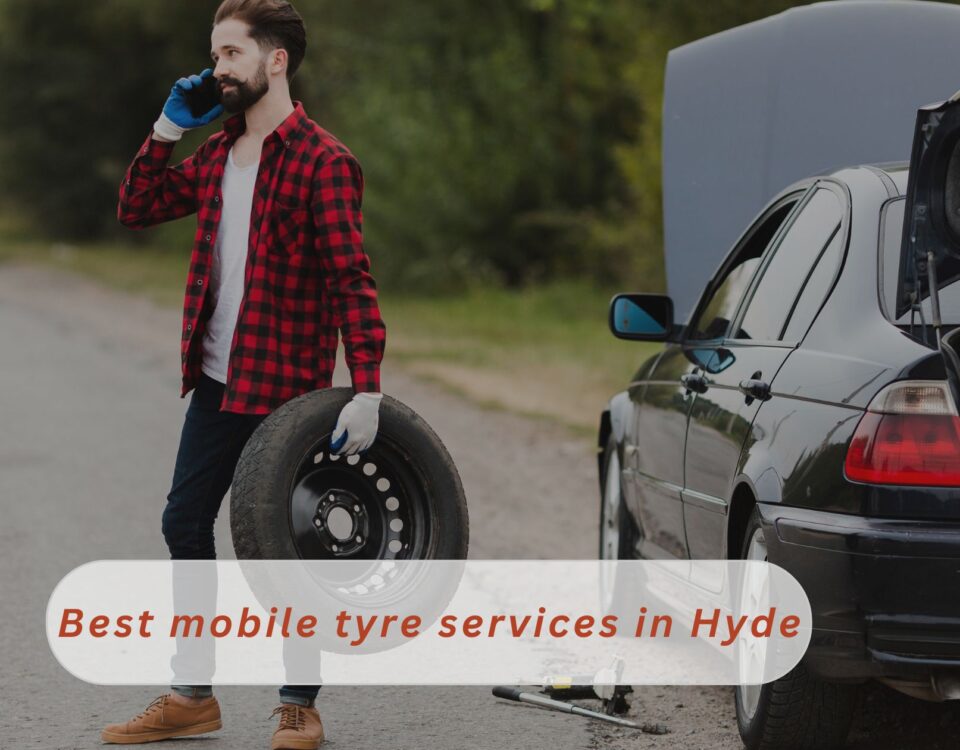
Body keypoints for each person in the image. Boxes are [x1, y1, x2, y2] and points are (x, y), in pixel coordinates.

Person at [102, 1, 385, 747]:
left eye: (231, 54)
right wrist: (167, 130)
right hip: (221, 382)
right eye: (215, 54)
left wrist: (366, 388)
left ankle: (299, 701)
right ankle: (193, 694)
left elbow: (352, 279)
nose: (217, 69)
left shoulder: (325, 161)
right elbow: (138, 206)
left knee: (287, 540)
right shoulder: (220, 152)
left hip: (291, 393)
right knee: (184, 523)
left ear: (277, 61)